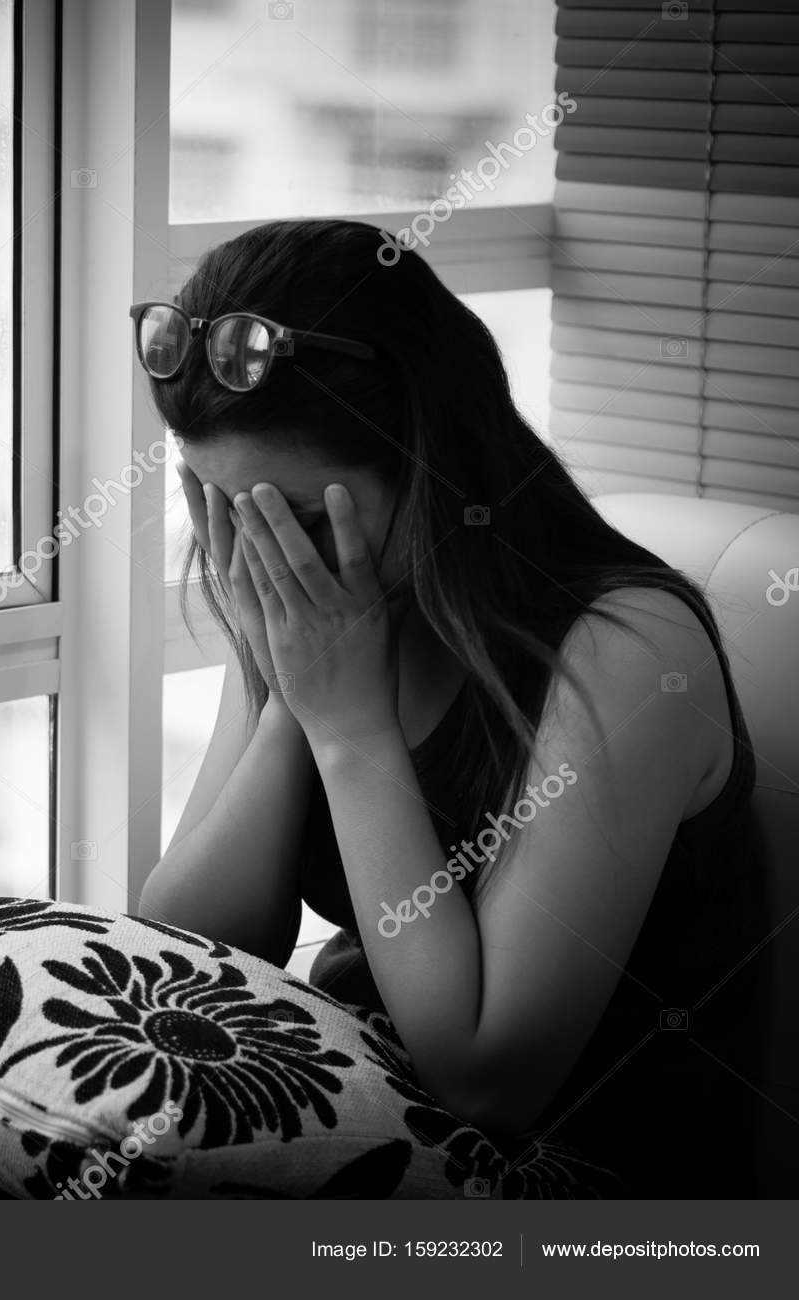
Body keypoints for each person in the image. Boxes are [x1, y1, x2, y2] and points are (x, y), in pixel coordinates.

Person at [137, 218, 770, 1195]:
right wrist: (288, 708)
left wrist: (349, 730)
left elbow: (486, 1081)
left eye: (299, 518)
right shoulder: (320, 614)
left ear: (432, 466)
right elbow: (190, 958)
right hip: (342, 1109)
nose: (268, 559)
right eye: (223, 510)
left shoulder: (624, 651)